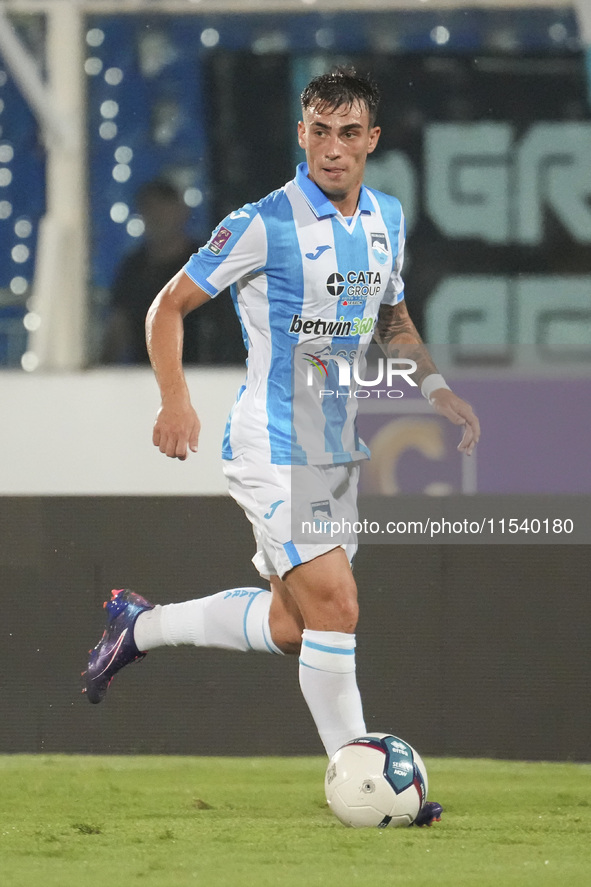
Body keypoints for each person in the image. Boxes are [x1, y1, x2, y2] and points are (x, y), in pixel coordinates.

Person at [84, 68, 479, 826]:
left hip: (335, 451)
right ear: (302, 135)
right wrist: (174, 398)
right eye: (319, 132)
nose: (333, 149)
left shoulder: (386, 218)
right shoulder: (262, 222)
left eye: (348, 133)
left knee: (296, 625)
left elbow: (390, 312)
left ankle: (136, 625)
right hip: (270, 439)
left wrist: (434, 390)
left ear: (371, 140)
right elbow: (169, 304)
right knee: (337, 602)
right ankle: (367, 789)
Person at [100, 179, 244, 365]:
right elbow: (119, 326)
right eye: (150, 209)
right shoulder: (133, 268)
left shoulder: (206, 265)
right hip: (148, 376)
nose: (157, 216)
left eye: (164, 208)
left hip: (205, 375)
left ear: (182, 212)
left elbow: (229, 324)